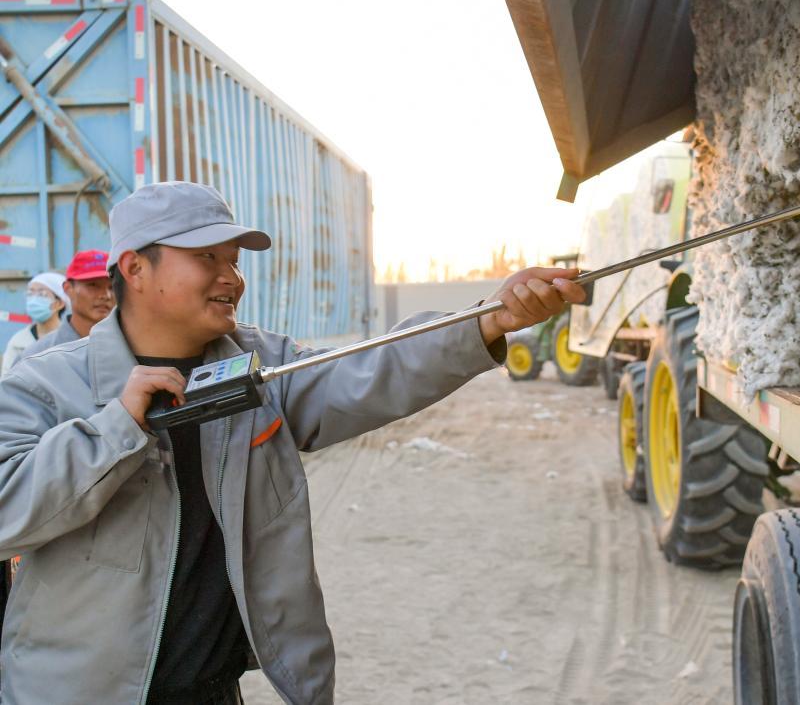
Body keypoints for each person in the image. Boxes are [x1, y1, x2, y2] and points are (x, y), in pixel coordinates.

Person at [0, 181, 585, 704]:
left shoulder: (261, 366)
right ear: (134, 268)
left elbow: (371, 369)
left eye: (234, 260)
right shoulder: (46, 383)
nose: (232, 277)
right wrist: (115, 429)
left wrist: (486, 320)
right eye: (206, 257)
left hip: (211, 692)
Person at [20, 250, 113, 359]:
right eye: (93, 285)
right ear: (68, 288)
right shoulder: (37, 356)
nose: (106, 295)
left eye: (112, 287)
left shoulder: (127, 348)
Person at [0, 271, 69, 375]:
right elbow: (7, 379)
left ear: (59, 303)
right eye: (30, 294)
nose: (34, 300)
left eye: (42, 294)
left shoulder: (72, 338)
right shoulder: (18, 341)